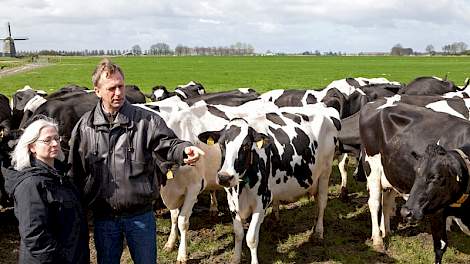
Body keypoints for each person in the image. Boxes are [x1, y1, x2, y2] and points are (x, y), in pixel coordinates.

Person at [68, 58, 204, 264]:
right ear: (97, 91)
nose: (118, 93)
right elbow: (75, 172)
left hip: (140, 215)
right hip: (104, 218)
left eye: (121, 86)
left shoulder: (146, 121)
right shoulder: (85, 127)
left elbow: (168, 143)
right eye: (111, 88)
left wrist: (184, 150)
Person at [4, 118, 89, 264]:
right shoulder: (31, 184)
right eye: (47, 140)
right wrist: (63, 259)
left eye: (57, 138)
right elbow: (35, 236)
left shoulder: (60, 175)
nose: (55, 143)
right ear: (32, 147)